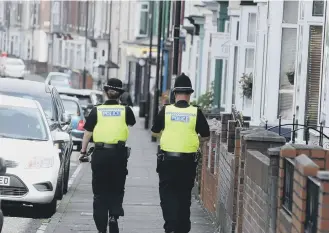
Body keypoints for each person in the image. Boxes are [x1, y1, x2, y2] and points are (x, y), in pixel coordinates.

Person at [151, 73, 210, 233]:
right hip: (187, 163)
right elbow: (206, 135)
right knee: (184, 197)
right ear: (190, 95)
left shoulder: (166, 110)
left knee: (167, 195)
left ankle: (170, 226)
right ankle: (182, 229)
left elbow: (155, 131)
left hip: (167, 161)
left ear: (175, 94)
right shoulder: (195, 112)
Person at [79, 78, 136, 233]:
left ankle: (101, 228)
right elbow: (131, 123)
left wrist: (83, 152)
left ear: (105, 92)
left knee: (99, 191)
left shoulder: (96, 111)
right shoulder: (126, 110)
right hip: (118, 155)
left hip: (100, 155)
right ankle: (114, 216)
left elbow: (87, 133)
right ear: (120, 95)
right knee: (117, 187)